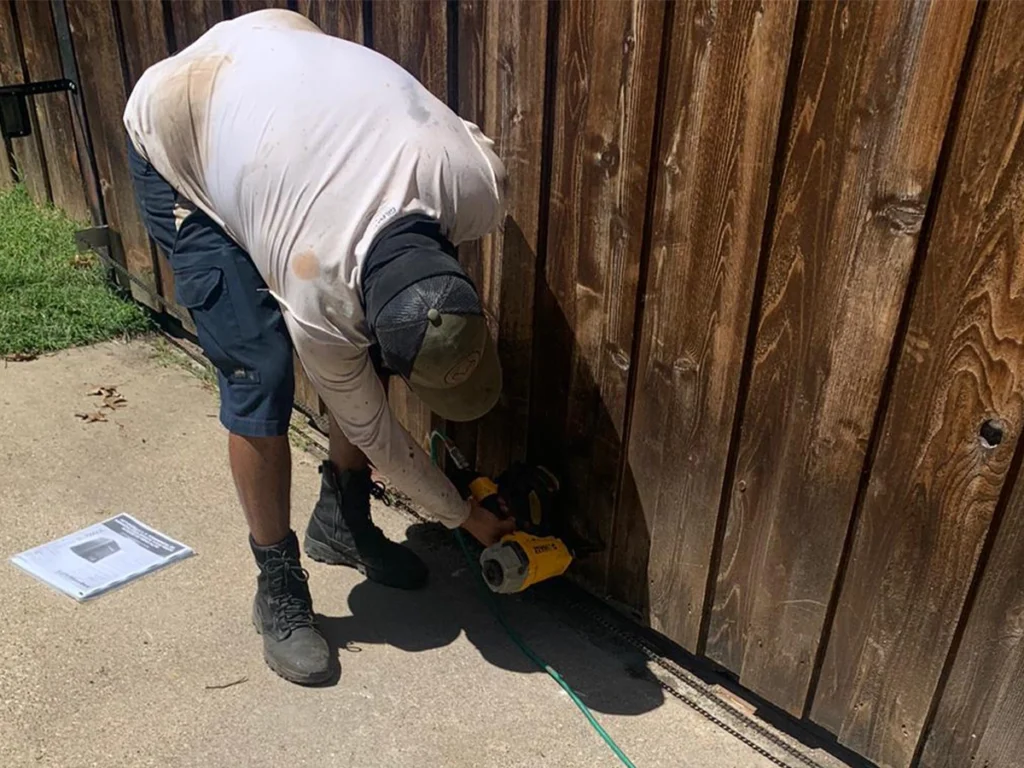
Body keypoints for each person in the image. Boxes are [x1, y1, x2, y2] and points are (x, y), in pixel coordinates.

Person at [123, 9, 515, 685]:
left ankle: (341, 519)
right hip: (181, 120)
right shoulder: (319, 287)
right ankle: (277, 583)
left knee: (385, 334)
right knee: (262, 373)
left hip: (275, 54)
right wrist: (465, 516)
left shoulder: (480, 184)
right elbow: (376, 431)